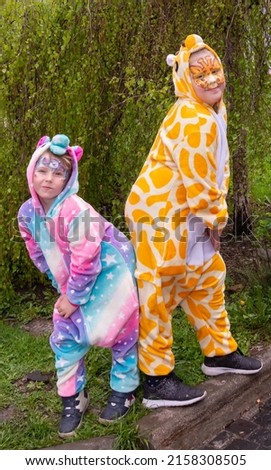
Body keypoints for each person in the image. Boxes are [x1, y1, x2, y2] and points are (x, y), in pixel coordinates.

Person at [125, 34, 262, 409]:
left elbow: (219, 168)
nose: (212, 78)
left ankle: (218, 353)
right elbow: (199, 180)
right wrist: (216, 222)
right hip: (161, 216)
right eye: (200, 73)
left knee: (206, 278)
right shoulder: (191, 116)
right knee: (159, 290)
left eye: (215, 69)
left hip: (191, 215)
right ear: (185, 78)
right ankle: (155, 379)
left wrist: (209, 220)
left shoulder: (213, 111)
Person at [18, 134, 139, 437]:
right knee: (65, 333)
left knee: (121, 330)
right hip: (75, 280)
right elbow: (37, 250)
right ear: (32, 171)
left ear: (68, 178)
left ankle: (124, 389)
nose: (48, 178)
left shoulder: (76, 210)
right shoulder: (27, 213)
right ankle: (73, 397)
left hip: (112, 273)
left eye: (58, 173)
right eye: (42, 170)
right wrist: (58, 282)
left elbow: (88, 258)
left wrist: (73, 296)